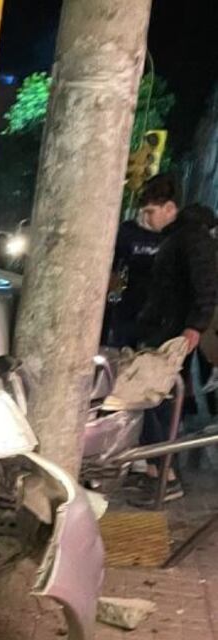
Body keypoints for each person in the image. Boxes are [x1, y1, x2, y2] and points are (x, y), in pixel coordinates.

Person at [135, 174, 218, 503]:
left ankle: (166, 476)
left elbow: (206, 286)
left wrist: (194, 327)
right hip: (163, 328)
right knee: (158, 399)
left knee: (158, 399)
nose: (147, 219)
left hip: (173, 333)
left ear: (170, 208)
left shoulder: (192, 238)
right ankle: (158, 473)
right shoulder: (178, 237)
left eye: (151, 212)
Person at [104, 207, 163, 348]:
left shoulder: (171, 234)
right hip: (127, 298)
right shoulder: (128, 231)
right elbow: (114, 265)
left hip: (156, 304)